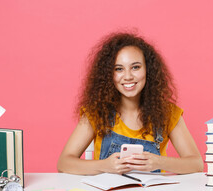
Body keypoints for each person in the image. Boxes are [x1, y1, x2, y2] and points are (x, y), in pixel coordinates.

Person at [57, 32, 203, 175]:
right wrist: (104, 165)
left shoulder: (168, 113)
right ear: (109, 74)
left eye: (135, 67)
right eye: (119, 69)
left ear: (148, 70)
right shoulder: (96, 112)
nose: (127, 76)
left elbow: (196, 164)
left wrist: (159, 162)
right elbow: (64, 163)